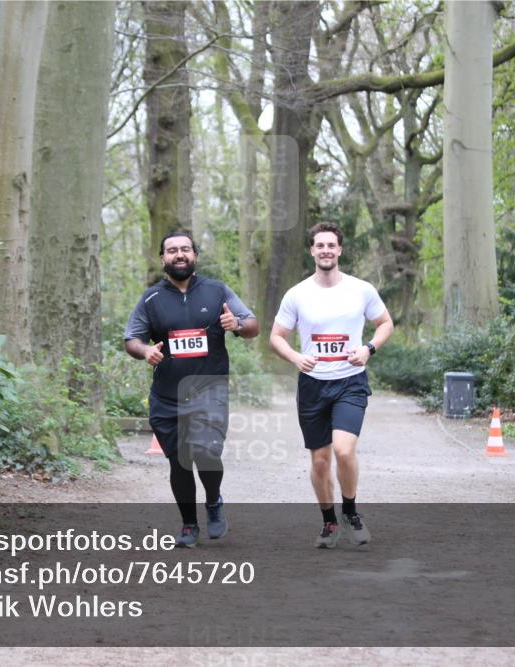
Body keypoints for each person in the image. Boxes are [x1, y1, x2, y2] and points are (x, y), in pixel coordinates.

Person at [125, 230, 259, 548]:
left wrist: (237, 326)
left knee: (205, 452)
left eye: (185, 249)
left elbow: (251, 324)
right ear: (163, 259)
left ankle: (213, 501)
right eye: (172, 250)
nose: (179, 254)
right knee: (179, 461)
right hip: (167, 395)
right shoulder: (151, 299)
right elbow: (132, 338)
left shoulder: (216, 291)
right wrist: (146, 352)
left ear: (195, 255)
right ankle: (188, 525)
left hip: (209, 389)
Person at [269, 222, 394, 548]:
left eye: (331, 245)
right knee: (320, 460)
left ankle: (350, 512)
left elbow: (385, 323)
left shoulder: (361, 290)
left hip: (349, 382)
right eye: (319, 245)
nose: (325, 250)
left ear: (339, 250)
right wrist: (296, 357)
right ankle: (329, 522)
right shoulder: (297, 294)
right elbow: (276, 337)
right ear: (312, 250)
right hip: (312, 385)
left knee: (343, 449)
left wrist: (368, 349)